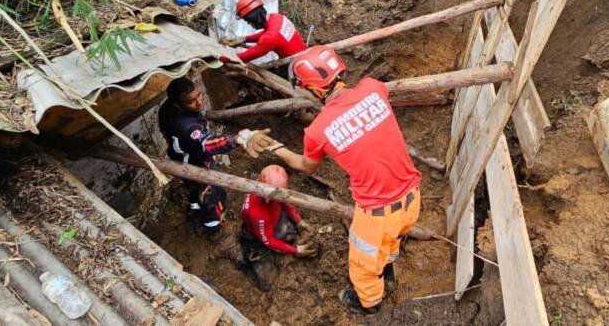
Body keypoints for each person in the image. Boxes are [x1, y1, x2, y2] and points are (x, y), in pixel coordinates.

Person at [252, 46, 422, 314]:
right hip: (412, 197)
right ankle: (387, 270)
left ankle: (369, 304)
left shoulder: (318, 130)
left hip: (377, 214)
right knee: (392, 241)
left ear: (316, 90)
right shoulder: (373, 87)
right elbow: (367, 108)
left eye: (305, 89)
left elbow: (305, 165)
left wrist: (275, 148)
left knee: (363, 265)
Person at [158, 77, 247, 235]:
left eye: (199, 95)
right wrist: (235, 140)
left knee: (193, 188)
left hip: (179, 156)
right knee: (210, 192)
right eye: (192, 101)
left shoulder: (166, 109)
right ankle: (213, 227)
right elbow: (206, 144)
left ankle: (194, 206)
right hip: (193, 162)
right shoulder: (187, 127)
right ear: (178, 105)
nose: (199, 102)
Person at [236, 165, 317, 291]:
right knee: (267, 283)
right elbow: (268, 240)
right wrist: (295, 251)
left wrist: (299, 220)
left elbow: (284, 200)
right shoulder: (256, 213)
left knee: (292, 235)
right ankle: (244, 261)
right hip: (258, 236)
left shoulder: (264, 183)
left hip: (274, 218)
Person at [219, 0, 306, 63]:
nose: (249, 24)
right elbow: (268, 33)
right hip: (303, 55)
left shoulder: (270, 38)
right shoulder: (277, 17)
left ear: (254, 18)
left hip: (295, 64)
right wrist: (244, 39)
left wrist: (220, 58)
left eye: (248, 21)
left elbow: (244, 58)